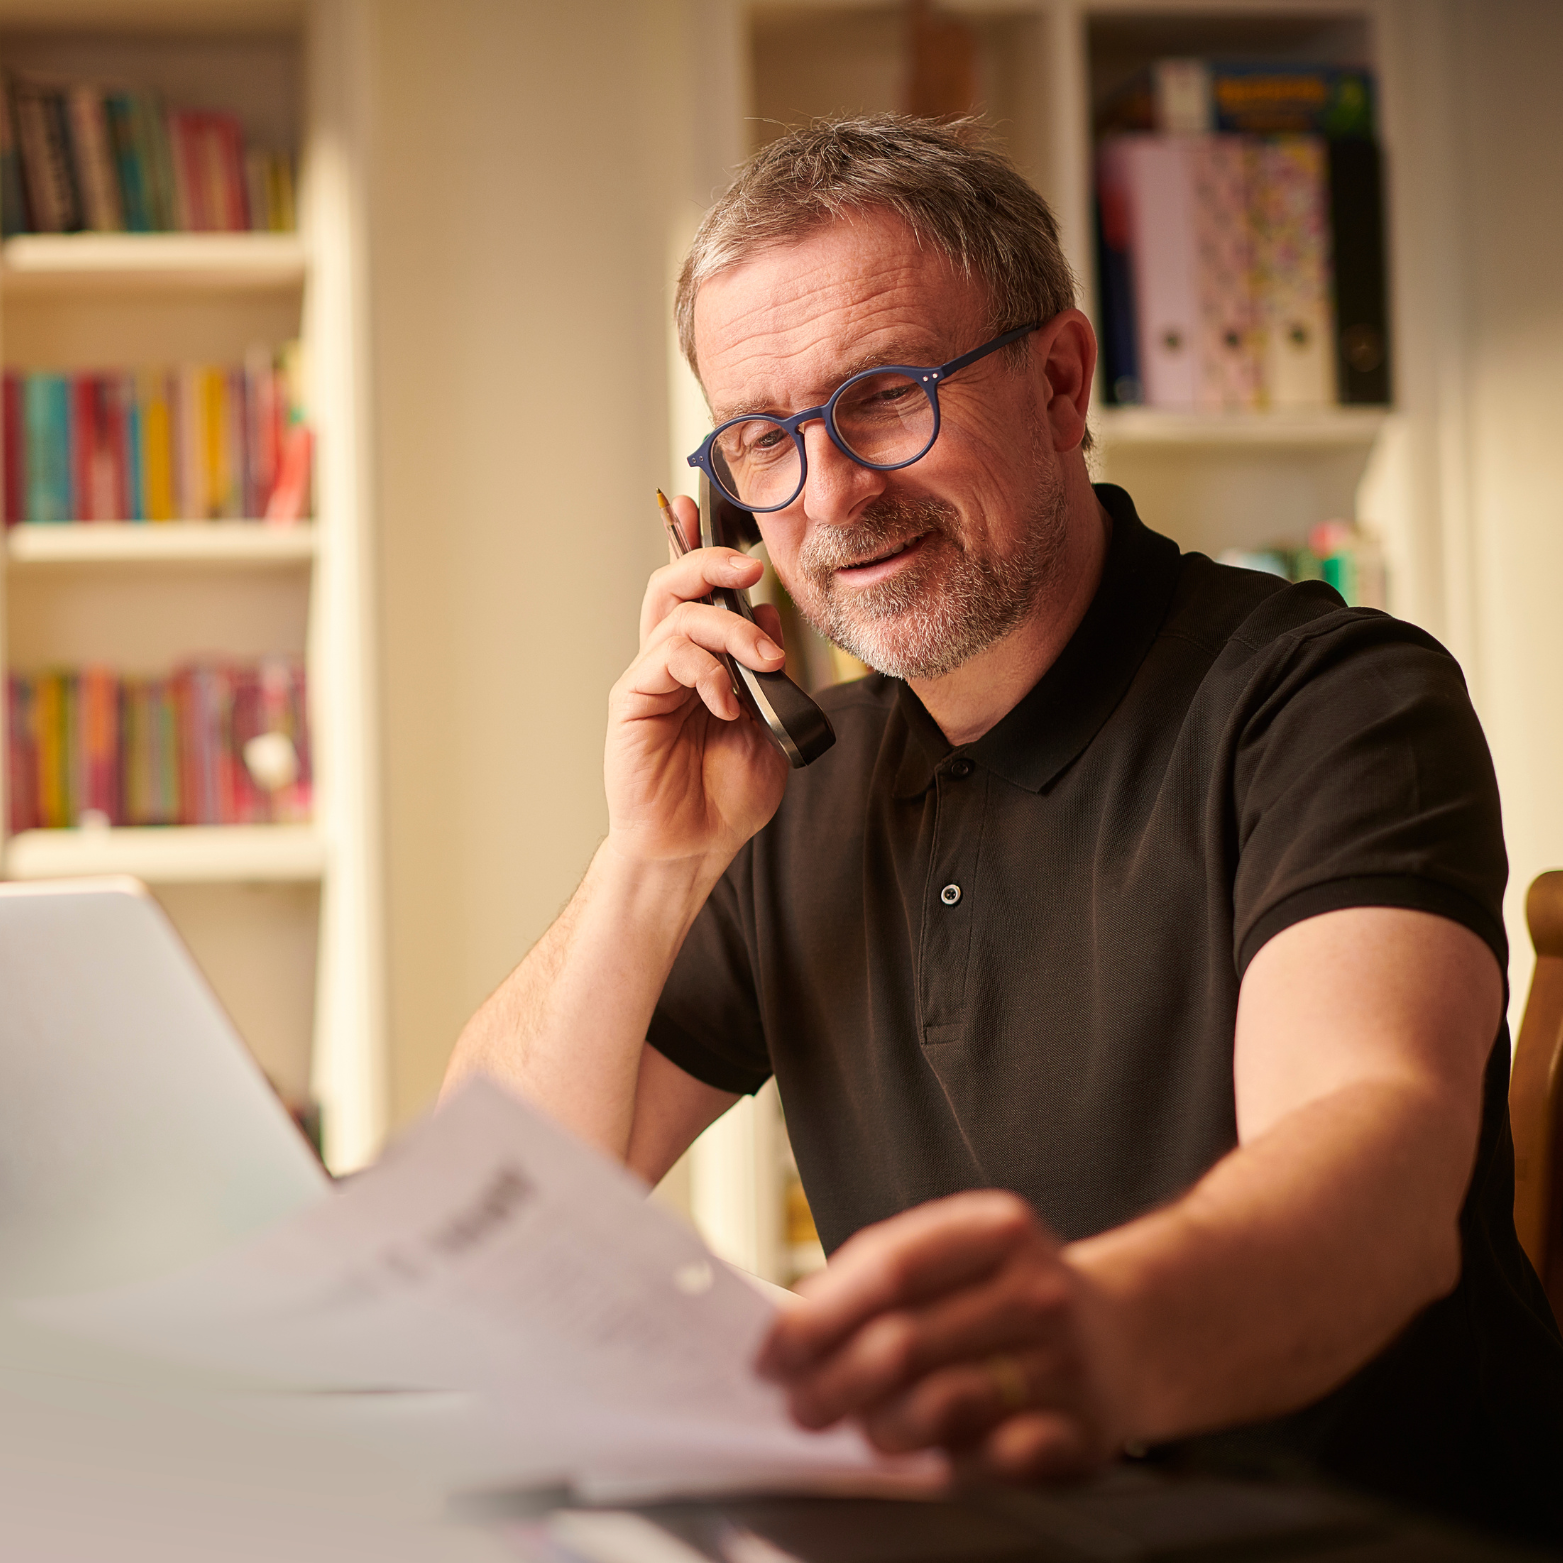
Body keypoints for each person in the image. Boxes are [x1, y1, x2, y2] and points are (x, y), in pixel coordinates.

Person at [445, 116, 1563, 1542]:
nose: (832, 494)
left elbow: (1378, 1169)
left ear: (1057, 382)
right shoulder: (797, 782)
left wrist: (1081, 1343)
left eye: (885, 397)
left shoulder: (1325, 701)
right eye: (762, 440)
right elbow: (479, 1200)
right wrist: (651, 861)